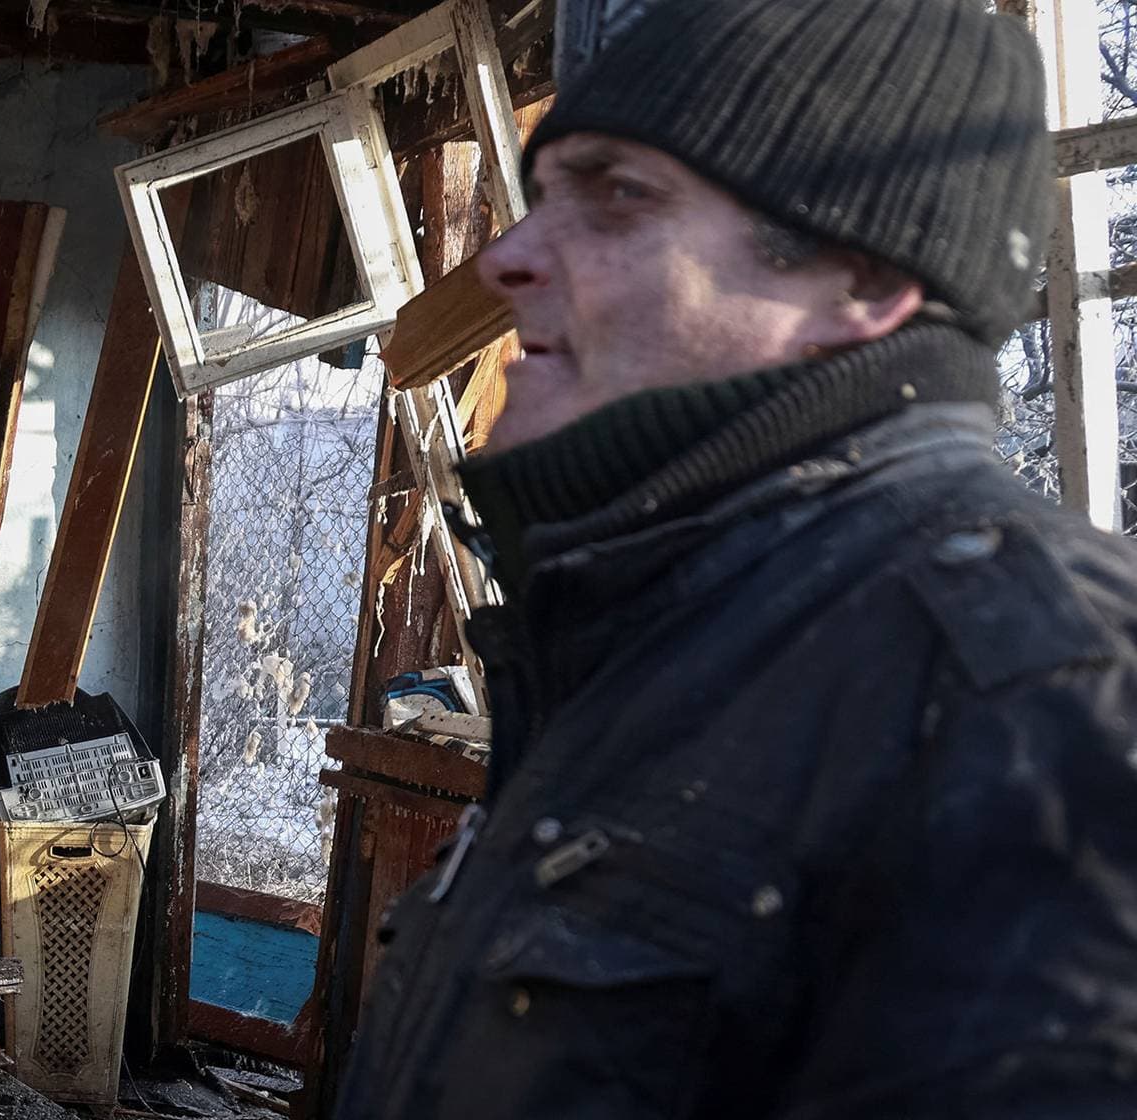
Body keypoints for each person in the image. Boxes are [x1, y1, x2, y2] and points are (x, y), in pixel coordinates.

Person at [335, 0, 1137, 1115]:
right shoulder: (656, 626)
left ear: (863, 279)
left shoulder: (1034, 700)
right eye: (541, 199)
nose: (509, 259)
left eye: (618, 199)